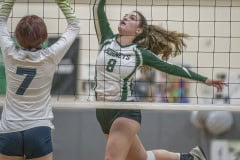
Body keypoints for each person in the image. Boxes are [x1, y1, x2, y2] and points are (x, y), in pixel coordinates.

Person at [93, 0, 225, 160]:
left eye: (132, 17)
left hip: (124, 110)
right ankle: (189, 158)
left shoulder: (139, 53)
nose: (126, 17)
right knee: (142, 158)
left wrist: (204, 79)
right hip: (101, 111)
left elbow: (171, 68)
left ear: (138, 30)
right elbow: (97, 8)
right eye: (125, 15)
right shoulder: (106, 39)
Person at [0, 0, 80, 159]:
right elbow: (74, 25)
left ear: (16, 36)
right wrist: (61, 2)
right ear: (44, 38)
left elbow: (1, 19)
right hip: (39, 128)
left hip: (10, 128)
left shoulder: (9, 52)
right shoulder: (50, 56)